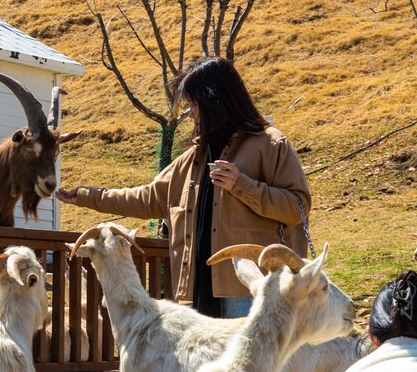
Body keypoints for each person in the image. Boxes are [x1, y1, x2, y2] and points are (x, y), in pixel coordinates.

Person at [55, 56, 310, 318]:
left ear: (217, 102)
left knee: (256, 361)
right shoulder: (192, 158)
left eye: (195, 105)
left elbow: (298, 208)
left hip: (252, 291)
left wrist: (242, 185)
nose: (191, 114)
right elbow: (148, 198)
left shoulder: (270, 145)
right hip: (195, 293)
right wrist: (88, 196)